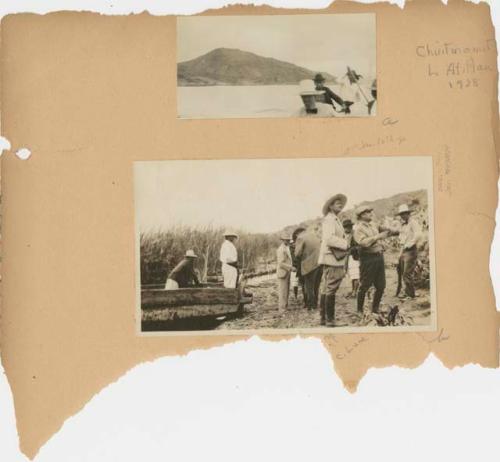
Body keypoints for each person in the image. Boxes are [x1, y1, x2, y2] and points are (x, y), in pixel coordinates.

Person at [353, 205, 397, 314]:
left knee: (381, 285)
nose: (370, 214)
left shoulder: (373, 225)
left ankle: (375, 308)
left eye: (370, 212)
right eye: (368, 212)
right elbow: (363, 243)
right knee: (364, 285)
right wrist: (378, 237)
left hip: (378, 257)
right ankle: (359, 310)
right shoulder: (358, 228)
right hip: (368, 259)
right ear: (362, 215)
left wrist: (391, 231)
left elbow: (386, 231)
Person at [318, 193, 349, 326]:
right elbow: (329, 239)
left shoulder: (334, 219)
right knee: (330, 288)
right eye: (337, 203)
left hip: (330, 258)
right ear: (330, 206)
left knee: (326, 288)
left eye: (341, 203)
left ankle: (324, 318)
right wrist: (346, 243)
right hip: (332, 259)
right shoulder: (330, 220)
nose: (340, 204)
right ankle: (329, 320)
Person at [396, 204, 422, 299]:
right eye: (401, 214)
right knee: (403, 272)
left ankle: (411, 294)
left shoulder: (413, 222)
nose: (403, 216)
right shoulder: (404, 225)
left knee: (407, 273)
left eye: (404, 213)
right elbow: (401, 237)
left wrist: (410, 244)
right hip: (404, 250)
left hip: (410, 250)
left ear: (408, 213)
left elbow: (418, 234)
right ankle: (408, 292)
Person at [294, 226, 322, 310]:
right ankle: (315, 304)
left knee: (309, 287)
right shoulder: (315, 236)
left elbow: (297, 254)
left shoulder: (300, 238)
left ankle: (311, 305)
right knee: (316, 286)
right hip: (319, 264)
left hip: (308, 265)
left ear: (297, 234)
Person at [342, 218, 360, 299]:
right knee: (352, 275)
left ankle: (355, 292)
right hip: (348, 257)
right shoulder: (345, 235)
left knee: (355, 275)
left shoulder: (354, 234)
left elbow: (358, 246)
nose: (347, 229)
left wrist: (350, 249)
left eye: (348, 227)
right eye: (346, 227)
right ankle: (353, 290)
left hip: (354, 257)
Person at [276, 233, 294, 311]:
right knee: (282, 290)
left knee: (286, 289)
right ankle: (282, 308)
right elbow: (281, 263)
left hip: (286, 272)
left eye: (288, 240)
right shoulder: (281, 249)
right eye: (287, 240)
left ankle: (285, 306)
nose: (288, 241)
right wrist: (290, 267)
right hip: (283, 272)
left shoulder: (286, 248)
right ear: (283, 240)